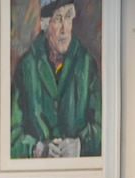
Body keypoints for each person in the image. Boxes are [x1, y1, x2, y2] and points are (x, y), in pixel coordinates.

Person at [10, 0, 101, 159]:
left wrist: (80, 146)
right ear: (45, 24)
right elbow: (10, 136)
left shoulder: (87, 64)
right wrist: (37, 149)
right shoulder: (26, 68)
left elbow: (104, 129)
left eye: (68, 17)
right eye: (58, 19)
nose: (65, 29)